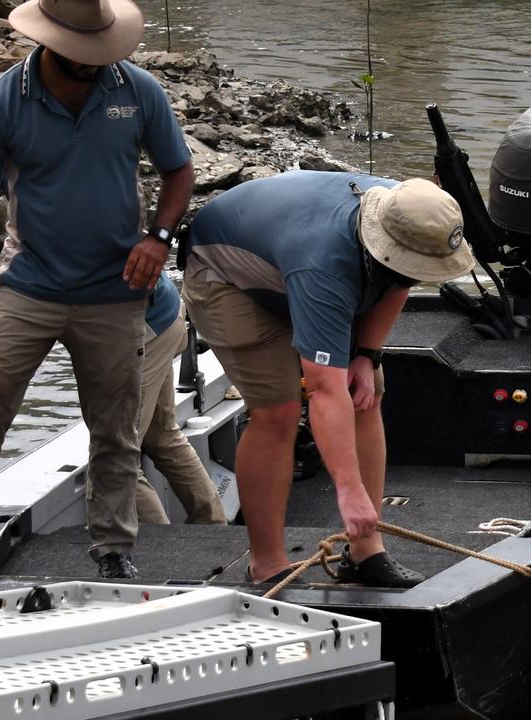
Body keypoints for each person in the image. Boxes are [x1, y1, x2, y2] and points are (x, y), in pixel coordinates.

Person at [0, 0, 195, 591]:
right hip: (28, 285)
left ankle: (112, 549)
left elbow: (178, 171)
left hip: (115, 290)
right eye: (86, 58)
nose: (99, 66)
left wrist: (158, 238)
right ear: (53, 47)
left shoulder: (137, 90)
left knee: (114, 427)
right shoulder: (3, 101)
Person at [182, 170, 473, 587]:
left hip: (300, 259)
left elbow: (400, 277)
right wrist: (349, 491)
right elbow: (322, 389)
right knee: (279, 409)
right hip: (228, 279)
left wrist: (368, 355)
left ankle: (366, 551)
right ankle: (267, 564)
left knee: (365, 391)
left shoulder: (412, 215)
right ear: (377, 240)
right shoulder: (324, 263)